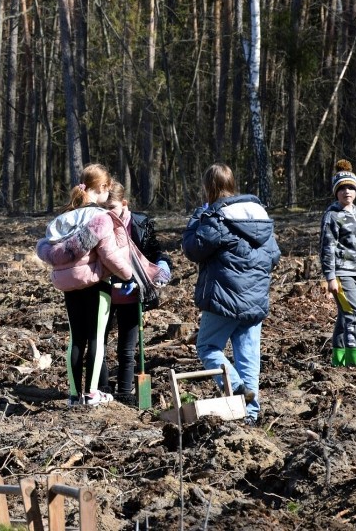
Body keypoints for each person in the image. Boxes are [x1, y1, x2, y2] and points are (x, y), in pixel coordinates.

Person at [182, 163, 280, 426]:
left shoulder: (215, 218)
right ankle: (250, 415)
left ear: (209, 188)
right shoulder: (261, 217)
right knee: (248, 355)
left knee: (207, 346)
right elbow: (274, 257)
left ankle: (237, 389)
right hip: (255, 298)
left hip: (224, 298)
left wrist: (196, 219)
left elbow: (192, 249)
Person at [35, 164, 133, 406]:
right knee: (96, 337)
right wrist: (128, 275)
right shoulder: (100, 218)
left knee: (76, 338)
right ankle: (92, 394)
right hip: (96, 284)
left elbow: (49, 249)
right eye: (106, 191)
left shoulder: (63, 218)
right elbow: (109, 254)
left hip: (69, 287)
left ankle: (73, 395)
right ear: (102, 188)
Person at [100, 183, 172, 402]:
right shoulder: (99, 222)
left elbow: (154, 251)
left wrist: (162, 264)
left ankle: (125, 391)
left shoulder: (141, 223)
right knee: (99, 345)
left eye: (111, 207)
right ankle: (101, 389)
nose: (108, 212)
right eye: (103, 207)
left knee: (127, 348)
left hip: (133, 291)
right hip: (104, 290)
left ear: (124, 203)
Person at [319, 159, 356, 367]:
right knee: (354, 314)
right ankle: (355, 360)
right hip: (342, 274)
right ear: (336, 192)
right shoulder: (332, 215)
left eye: (350, 187)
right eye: (342, 188)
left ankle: (338, 360)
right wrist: (330, 277)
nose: (347, 191)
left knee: (345, 315)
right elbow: (327, 248)